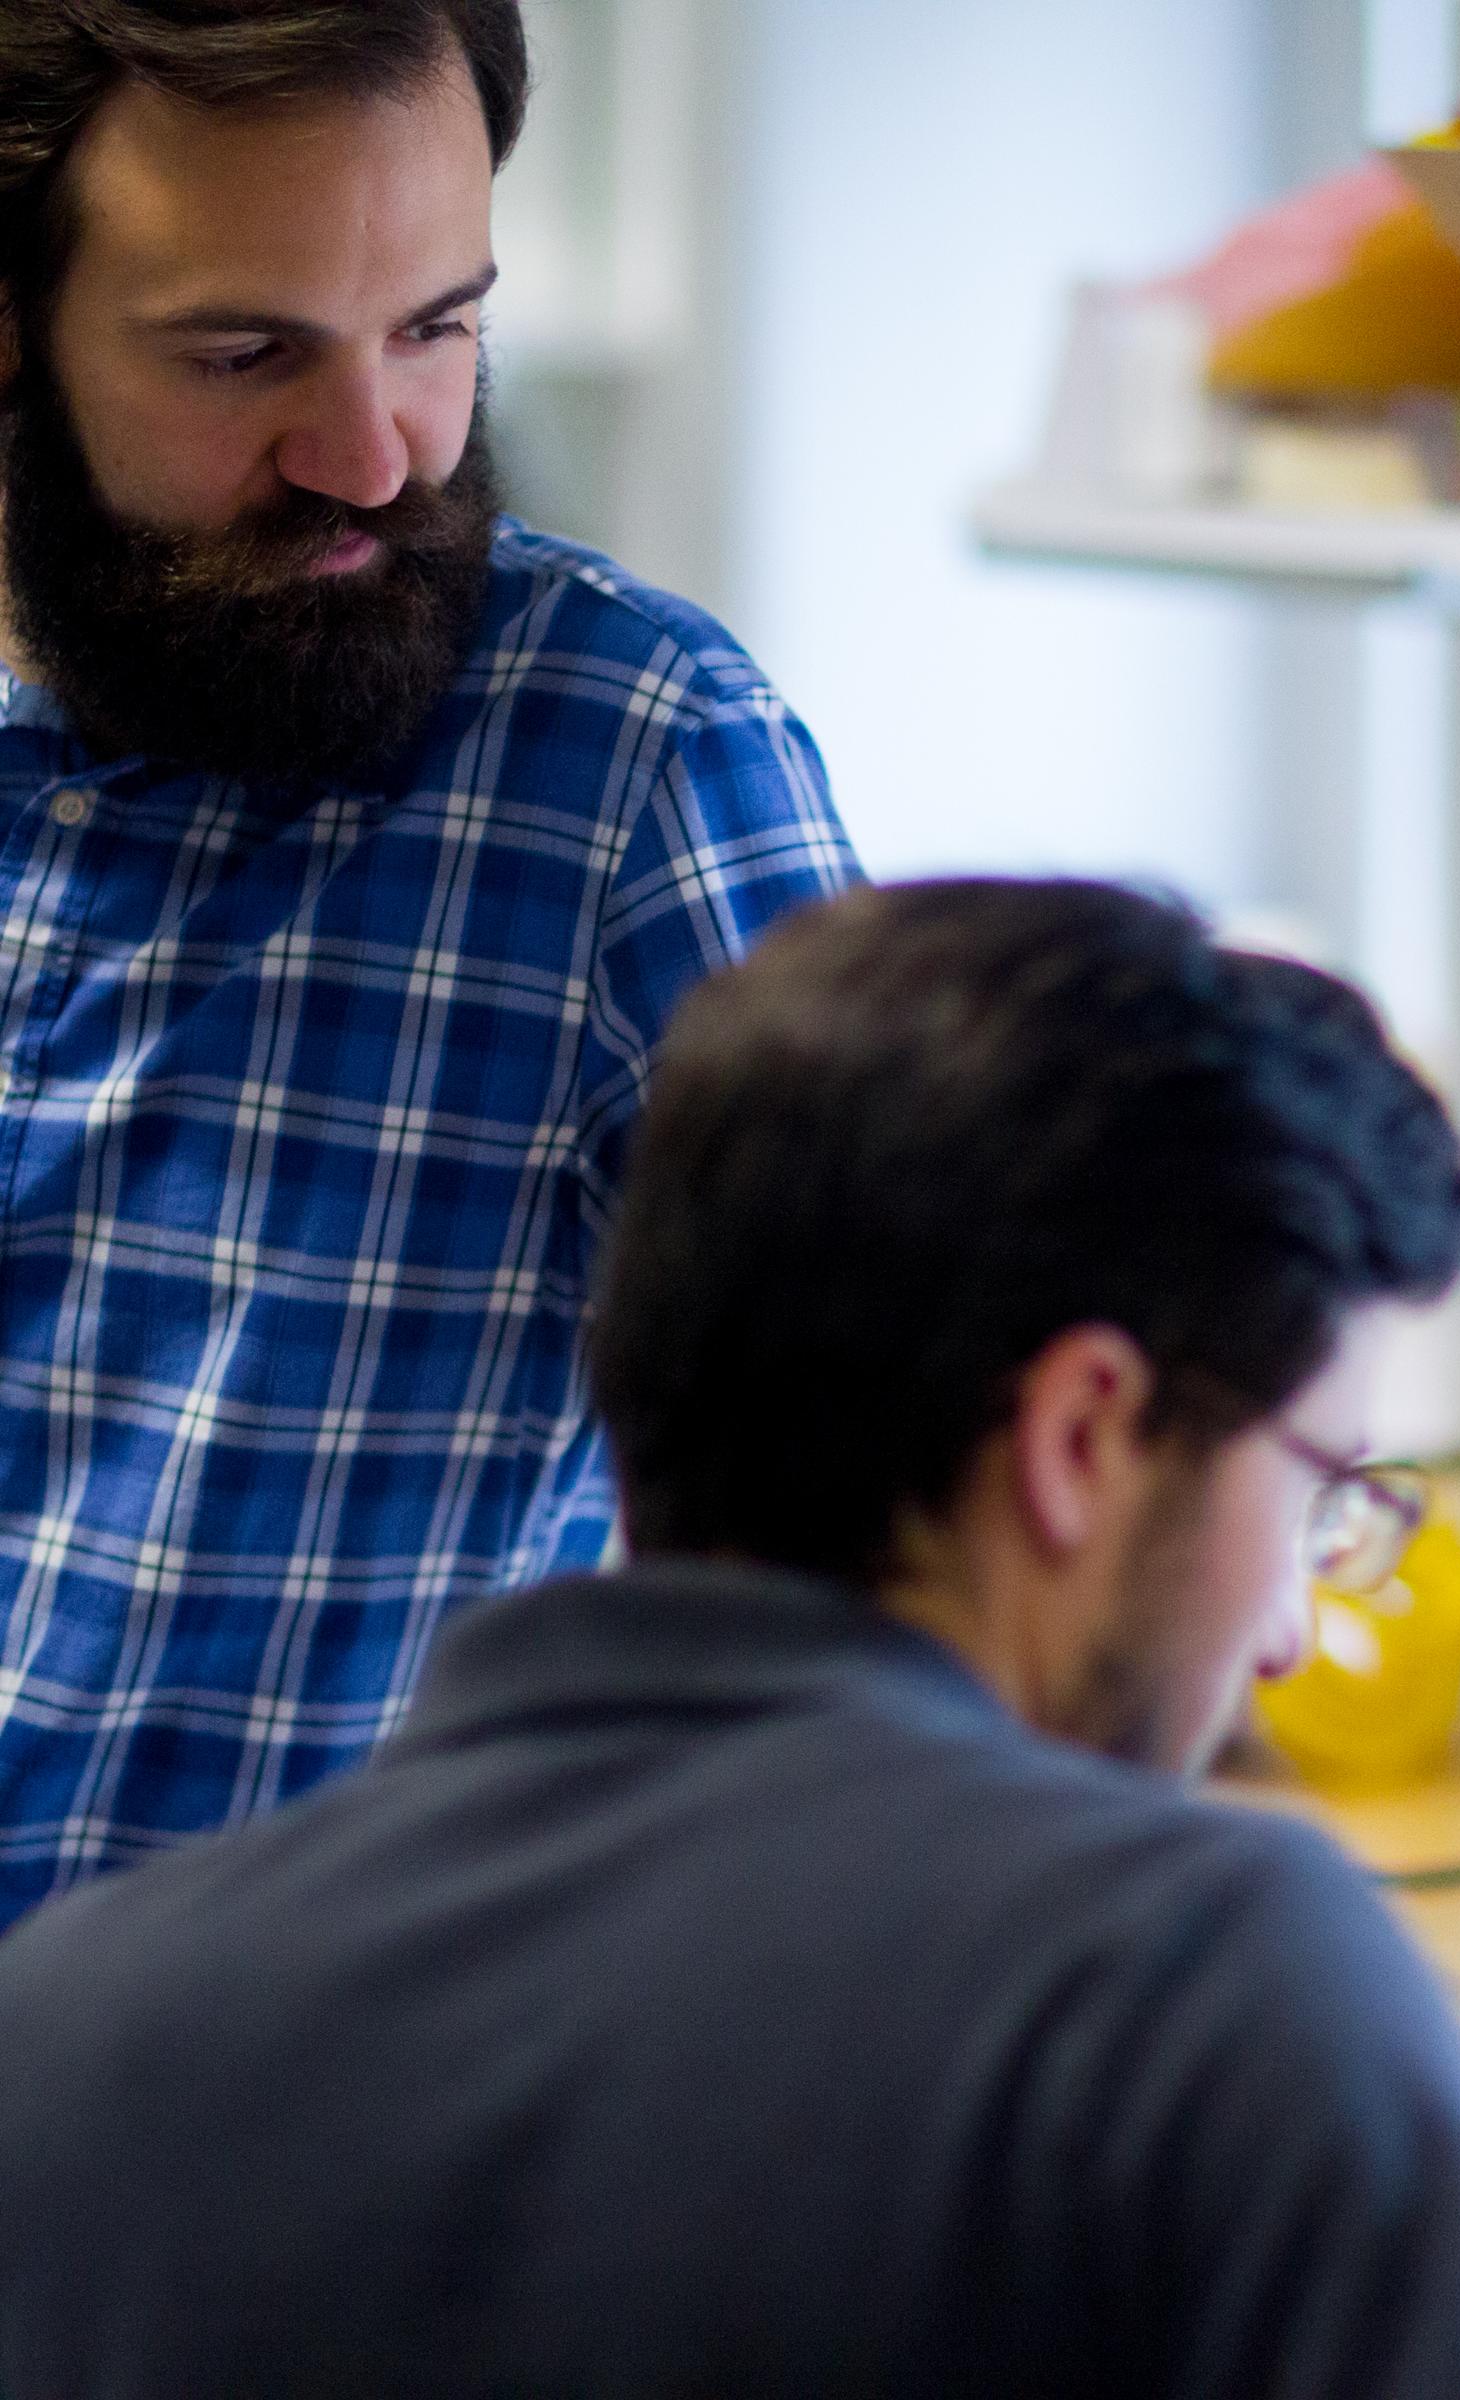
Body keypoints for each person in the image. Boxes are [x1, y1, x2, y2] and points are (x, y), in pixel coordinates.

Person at [0, 879, 1460, 2400]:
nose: (1286, 1634)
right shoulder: (1192, 1995)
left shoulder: (80, 2034)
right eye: (1316, 1491)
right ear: (1082, 1438)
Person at [0, 0, 855, 1925]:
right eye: (246, 355)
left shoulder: (633, 764)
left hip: (306, 2063)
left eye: (438, 328)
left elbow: (908, 1510)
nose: (379, 458)